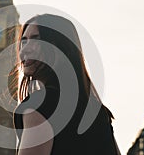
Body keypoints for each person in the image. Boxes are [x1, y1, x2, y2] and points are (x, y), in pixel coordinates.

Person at [12, 14, 121, 155]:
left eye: (36, 39)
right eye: (24, 41)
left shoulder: (39, 106)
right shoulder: (99, 112)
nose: (23, 50)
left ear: (60, 46)